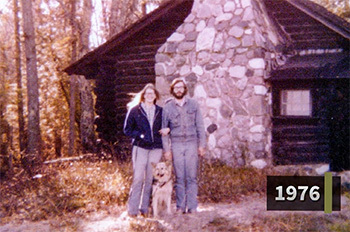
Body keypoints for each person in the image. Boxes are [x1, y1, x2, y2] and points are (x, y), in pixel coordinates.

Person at [123, 83, 168, 217]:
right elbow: (127, 130)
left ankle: (144, 209)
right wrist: (141, 136)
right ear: (143, 95)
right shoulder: (135, 110)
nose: (149, 96)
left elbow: (167, 125)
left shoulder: (160, 111)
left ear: (155, 96)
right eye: (147, 93)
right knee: (138, 178)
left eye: (152, 94)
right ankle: (132, 210)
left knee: (149, 179)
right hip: (140, 148)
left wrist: (168, 129)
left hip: (155, 149)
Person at [162, 78, 206, 214]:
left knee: (191, 176)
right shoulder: (167, 107)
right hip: (176, 144)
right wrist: (167, 150)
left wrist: (202, 145)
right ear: (172, 90)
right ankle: (180, 206)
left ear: (185, 89)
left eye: (181, 87)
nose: (179, 90)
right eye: (176, 88)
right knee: (180, 177)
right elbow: (164, 130)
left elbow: (200, 126)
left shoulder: (193, 104)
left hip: (192, 143)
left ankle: (192, 206)